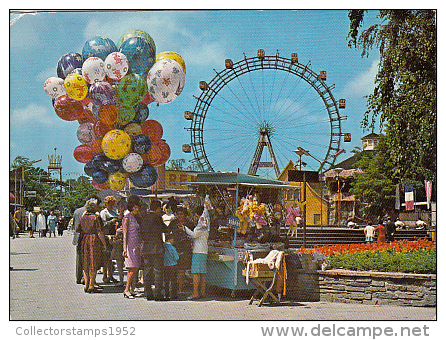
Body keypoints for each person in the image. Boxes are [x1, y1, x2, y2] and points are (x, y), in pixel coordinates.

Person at [138, 200, 167, 301]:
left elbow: (141, 232)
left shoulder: (144, 218)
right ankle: (158, 294)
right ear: (158, 208)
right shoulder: (157, 218)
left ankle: (148, 293)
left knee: (147, 271)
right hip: (156, 247)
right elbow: (164, 229)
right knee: (158, 271)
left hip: (146, 247)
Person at [77, 198, 107, 293]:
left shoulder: (83, 217)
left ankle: (86, 284)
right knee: (93, 262)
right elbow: (99, 232)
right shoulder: (96, 218)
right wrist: (104, 243)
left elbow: (78, 229)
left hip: (84, 240)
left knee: (86, 262)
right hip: (94, 241)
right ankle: (91, 285)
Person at [183, 199, 211, 300]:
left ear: (197, 215)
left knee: (195, 272)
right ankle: (202, 292)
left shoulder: (201, 223)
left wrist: (185, 229)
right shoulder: (206, 222)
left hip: (198, 250)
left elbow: (194, 235)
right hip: (204, 250)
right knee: (202, 272)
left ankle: (195, 292)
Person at [72, 195, 102, 284]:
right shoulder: (95, 214)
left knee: (80, 258)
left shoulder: (77, 211)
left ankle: (79, 277)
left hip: (79, 238)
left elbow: (74, 225)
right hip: (91, 239)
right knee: (91, 260)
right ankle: (90, 281)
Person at [168, 207, 193, 294]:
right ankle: (173, 287)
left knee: (182, 270)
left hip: (185, 249)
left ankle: (180, 289)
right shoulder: (173, 223)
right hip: (174, 248)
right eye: (177, 214)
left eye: (181, 214)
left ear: (185, 215)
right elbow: (167, 232)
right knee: (173, 269)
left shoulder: (190, 224)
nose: (179, 216)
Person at [122, 195, 141, 299]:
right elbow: (125, 234)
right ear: (133, 207)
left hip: (136, 244)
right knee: (131, 268)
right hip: (130, 245)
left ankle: (132, 288)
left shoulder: (134, 217)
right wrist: (125, 248)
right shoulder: (127, 217)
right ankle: (126, 289)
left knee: (136, 267)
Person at [100, 196, 119, 284]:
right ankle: (105, 276)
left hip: (114, 235)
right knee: (106, 257)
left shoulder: (113, 212)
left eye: (113, 204)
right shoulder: (104, 212)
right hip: (107, 236)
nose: (112, 205)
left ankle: (110, 275)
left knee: (111, 258)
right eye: (110, 204)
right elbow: (102, 224)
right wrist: (110, 222)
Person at [163, 236, 179, 300]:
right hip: (173, 265)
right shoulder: (172, 248)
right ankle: (173, 294)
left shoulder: (163, 247)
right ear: (170, 240)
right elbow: (176, 257)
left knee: (166, 280)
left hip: (165, 265)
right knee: (173, 280)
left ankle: (167, 294)